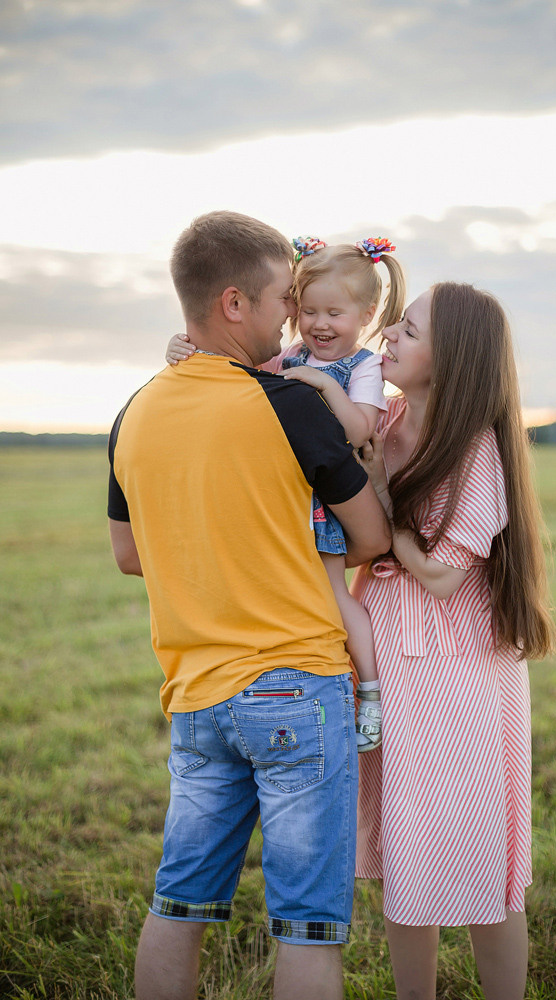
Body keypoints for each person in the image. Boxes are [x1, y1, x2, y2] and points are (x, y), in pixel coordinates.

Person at [107, 210, 391, 1000]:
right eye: (280, 299)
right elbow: (369, 538)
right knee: (306, 928)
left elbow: (130, 554)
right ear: (234, 303)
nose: (291, 316)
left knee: (177, 905)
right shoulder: (291, 404)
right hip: (297, 684)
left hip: (196, 694)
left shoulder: (134, 410)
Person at [352, 282, 556, 1000]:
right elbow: (306, 374)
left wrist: (382, 502)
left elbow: (441, 575)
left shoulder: (475, 451)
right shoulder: (382, 418)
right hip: (388, 656)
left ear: (452, 360)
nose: (388, 335)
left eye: (408, 331)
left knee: (476, 849)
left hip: (457, 669)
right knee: (405, 852)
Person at [167, 235, 406, 753]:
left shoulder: (363, 366)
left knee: (334, 593)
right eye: (308, 310)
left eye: (334, 313)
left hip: (329, 499)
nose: (319, 324)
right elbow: (242, 383)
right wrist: (182, 351)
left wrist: (324, 385)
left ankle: (369, 691)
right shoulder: (292, 353)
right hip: (285, 495)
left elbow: (361, 429)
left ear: (366, 315)